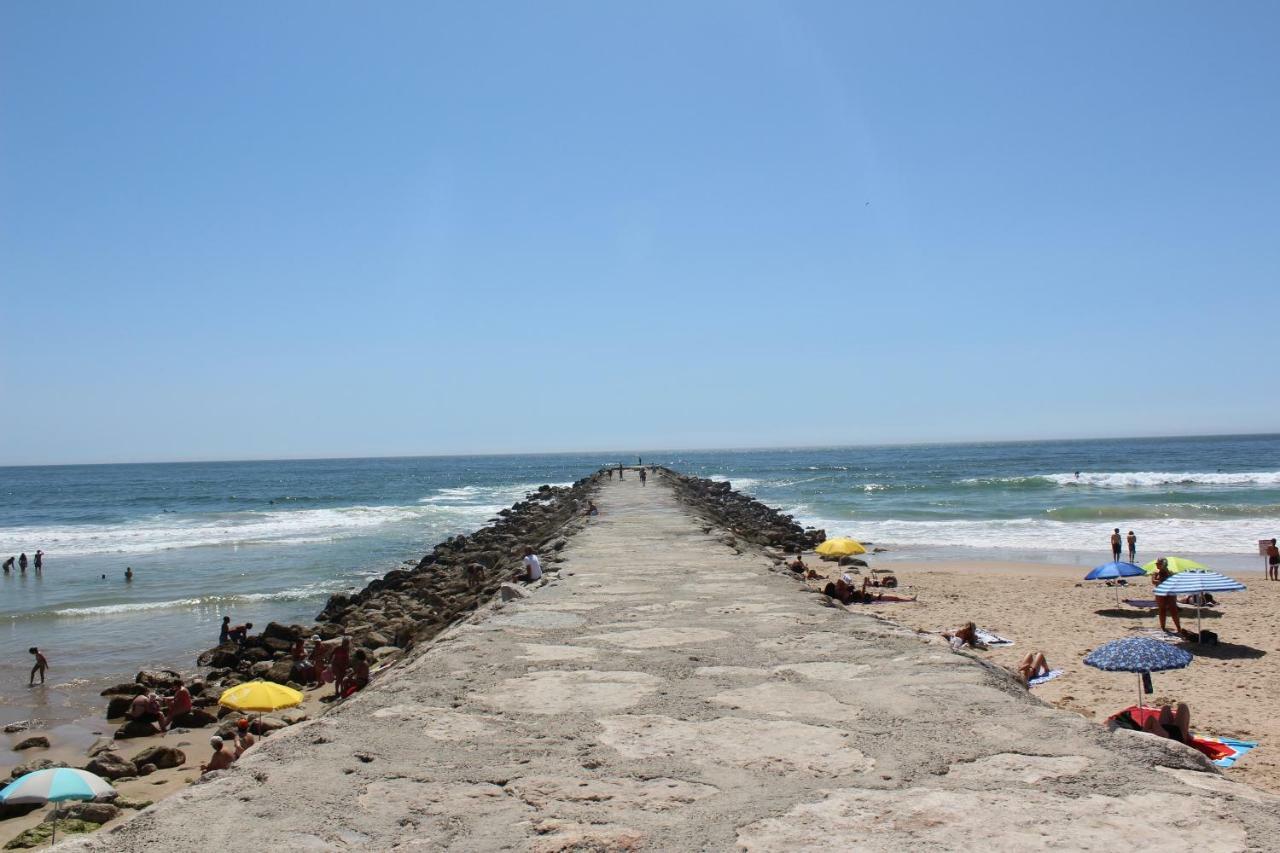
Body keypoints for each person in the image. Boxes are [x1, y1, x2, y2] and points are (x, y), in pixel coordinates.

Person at [1152, 558, 1182, 634]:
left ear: (1163, 564)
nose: (1157, 565)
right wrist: (1160, 581)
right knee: (1162, 610)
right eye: (1157, 564)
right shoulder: (1156, 572)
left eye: (1159, 564)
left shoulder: (1170, 572)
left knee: (1173, 610)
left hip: (1170, 592)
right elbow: (1153, 581)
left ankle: (1178, 628)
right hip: (1160, 592)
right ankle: (1163, 627)